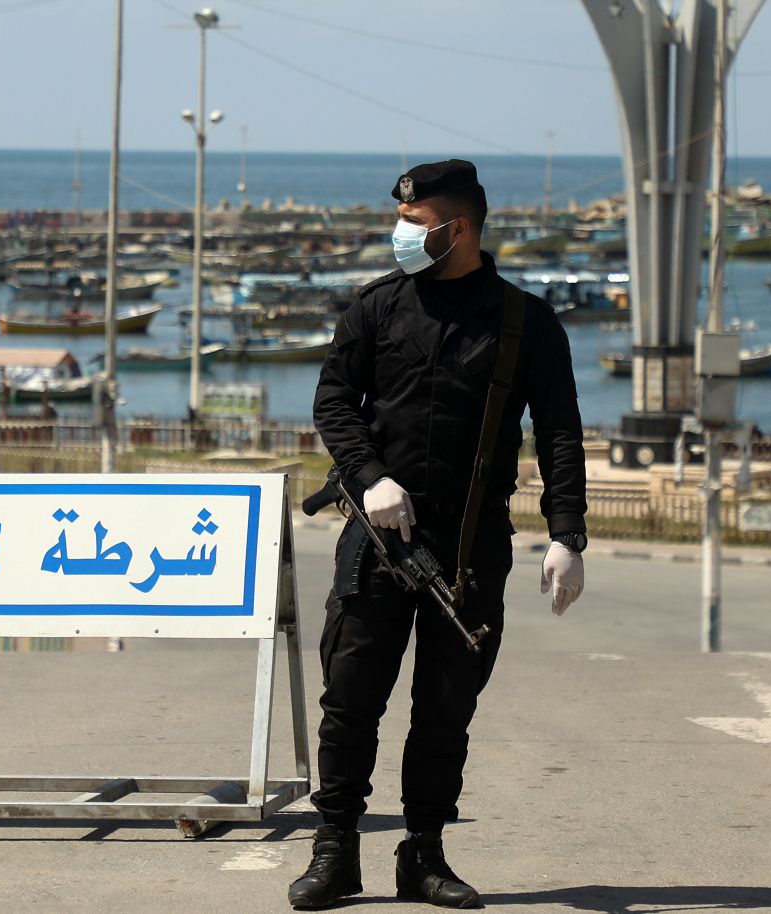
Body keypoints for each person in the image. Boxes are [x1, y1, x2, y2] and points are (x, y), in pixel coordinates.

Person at [290, 159, 588, 910]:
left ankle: (423, 852)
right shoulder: (377, 308)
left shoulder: (525, 322)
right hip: (377, 532)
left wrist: (567, 535)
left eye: (415, 225)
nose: (401, 234)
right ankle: (335, 848)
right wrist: (366, 475)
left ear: (458, 228)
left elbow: (558, 433)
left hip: (470, 544)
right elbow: (334, 402)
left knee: (446, 707)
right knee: (351, 698)